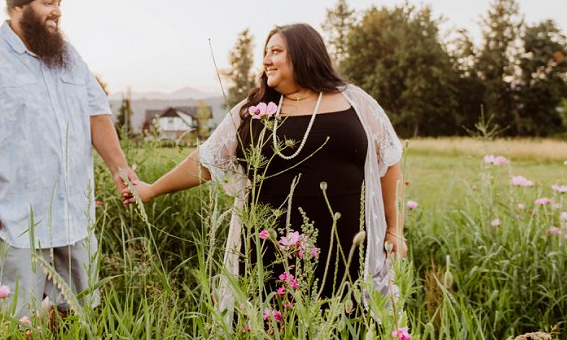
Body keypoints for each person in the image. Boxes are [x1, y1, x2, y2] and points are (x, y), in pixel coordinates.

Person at [127, 23, 406, 314]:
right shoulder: (254, 110)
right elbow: (207, 160)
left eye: (276, 51)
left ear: (304, 54)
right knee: (269, 330)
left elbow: (389, 158)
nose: (266, 60)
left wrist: (394, 228)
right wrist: (151, 190)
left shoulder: (355, 102)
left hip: (345, 247)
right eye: (265, 52)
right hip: (268, 250)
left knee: (345, 327)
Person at [0, 0, 139, 320]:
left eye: (59, 2)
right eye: (48, 2)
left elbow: (97, 115)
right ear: (19, 6)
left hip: (72, 215)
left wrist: (120, 171)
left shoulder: (68, 57)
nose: (58, 11)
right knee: (19, 322)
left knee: (78, 315)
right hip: (13, 220)